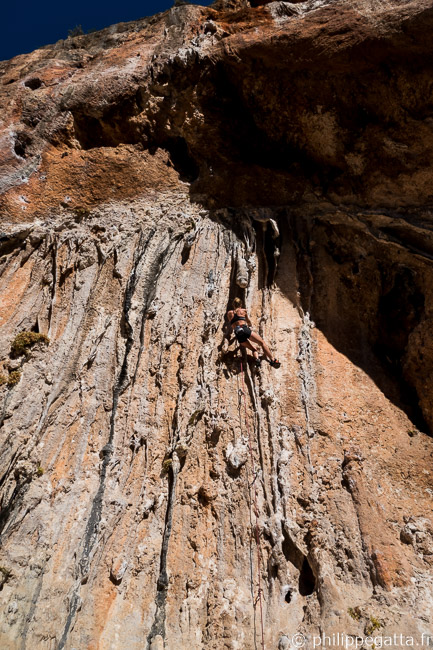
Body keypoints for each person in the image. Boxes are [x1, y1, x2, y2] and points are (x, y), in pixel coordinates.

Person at [226, 298, 280, 368]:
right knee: (262, 343)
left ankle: (257, 360)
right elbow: (248, 321)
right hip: (245, 329)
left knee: (253, 349)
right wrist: (250, 326)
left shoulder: (229, 313)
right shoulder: (243, 311)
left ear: (233, 304)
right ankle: (273, 360)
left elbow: (232, 322)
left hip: (238, 334)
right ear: (241, 304)